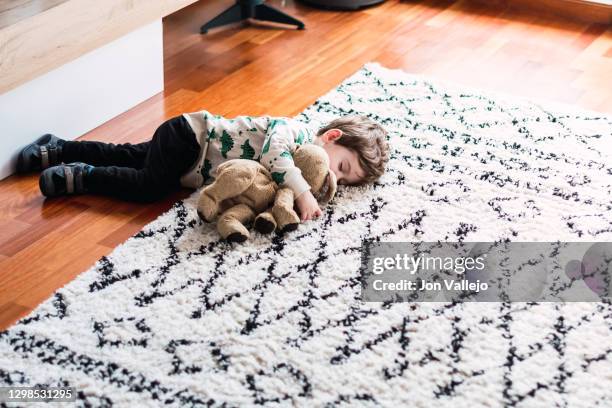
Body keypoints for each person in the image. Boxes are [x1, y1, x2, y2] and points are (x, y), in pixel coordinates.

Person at [17, 111, 389, 222]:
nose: (331, 176)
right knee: (148, 185)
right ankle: (82, 176)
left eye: (343, 180)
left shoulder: (297, 168)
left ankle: (58, 148)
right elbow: (276, 157)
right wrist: (305, 193)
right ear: (332, 137)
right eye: (340, 166)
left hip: (189, 159)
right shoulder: (294, 132)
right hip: (192, 136)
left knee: (128, 155)